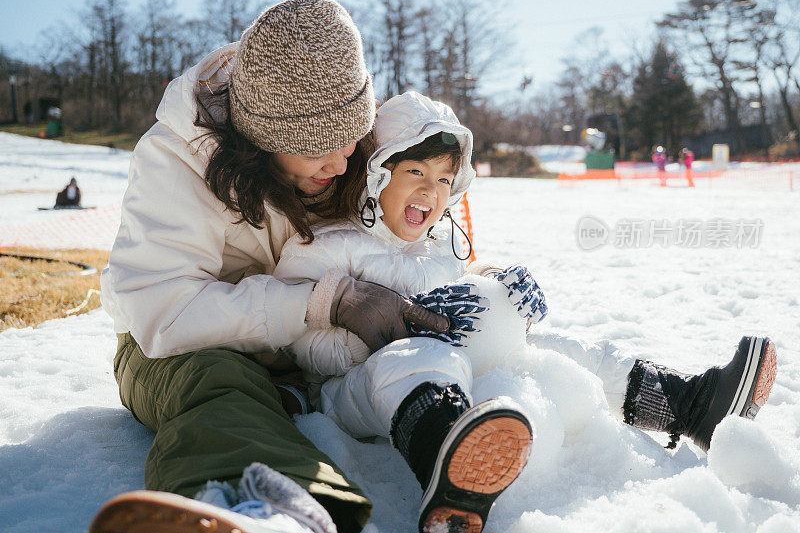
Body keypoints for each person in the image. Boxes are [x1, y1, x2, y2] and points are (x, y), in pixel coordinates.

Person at [271, 91, 778, 532]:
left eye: (446, 180)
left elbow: (462, 293)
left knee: (555, 351)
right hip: (358, 390)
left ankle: (690, 405)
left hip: (461, 370)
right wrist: (376, 327)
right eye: (415, 172)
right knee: (414, 358)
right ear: (377, 175)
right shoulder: (331, 245)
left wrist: (498, 288)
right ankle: (449, 469)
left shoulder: (441, 246)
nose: (431, 190)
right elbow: (305, 345)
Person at [90, 0, 450, 533]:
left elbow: (400, 227)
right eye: (316, 148)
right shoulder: (176, 159)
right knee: (218, 386)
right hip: (180, 347)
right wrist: (323, 301)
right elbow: (164, 312)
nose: (343, 160)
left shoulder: (345, 159)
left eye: (351, 134)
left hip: (306, 356)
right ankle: (256, 508)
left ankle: (450, 437)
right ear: (262, 139)